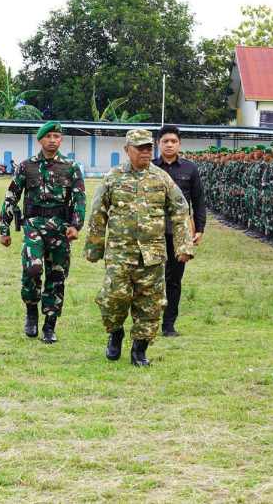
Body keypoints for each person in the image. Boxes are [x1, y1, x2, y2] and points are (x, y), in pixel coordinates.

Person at [84, 129, 194, 367]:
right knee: (113, 298)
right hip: (119, 253)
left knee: (150, 304)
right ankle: (115, 333)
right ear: (127, 150)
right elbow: (98, 213)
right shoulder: (113, 177)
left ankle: (139, 349)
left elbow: (180, 210)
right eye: (140, 148)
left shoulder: (162, 178)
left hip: (152, 254)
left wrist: (183, 245)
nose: (145, 152)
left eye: (148, 148)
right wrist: (94, 247)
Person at [0, 121, 86, 343]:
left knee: (57, 277)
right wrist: (4, 228)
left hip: (60, 229)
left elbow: (79, 199)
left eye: (57, 136)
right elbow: (11, 197)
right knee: (33, 269)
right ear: (40, 140)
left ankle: (49, 326)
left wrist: (75, 225)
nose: (53, 140)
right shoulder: (27, 166)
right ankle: (31, 312)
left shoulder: (71, 167)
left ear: (61, 140)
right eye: (48, 136)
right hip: (33, 226)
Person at [153, 125, 206, 337]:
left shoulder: (190, 169)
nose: (169, 145)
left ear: (179, 144)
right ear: (158, 144)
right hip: (153, 231)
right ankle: (150, 321)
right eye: (165, 141)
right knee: (151, 278)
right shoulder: (150, 167)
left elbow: (198, 200)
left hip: (179, 233)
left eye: (173, 141)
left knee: (174, 280)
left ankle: (168, 325)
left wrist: (199, 228)